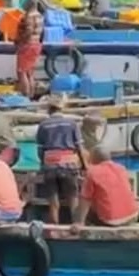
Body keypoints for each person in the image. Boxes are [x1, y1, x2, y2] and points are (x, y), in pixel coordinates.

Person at [36, 95, 86, 224]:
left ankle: (54, 229)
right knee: (73, 199)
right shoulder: (72, 124)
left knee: (53, 202)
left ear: (49, 109)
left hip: (50, 165)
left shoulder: (43, 125)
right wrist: (85, 166)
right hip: (69, 164)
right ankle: (76, 226)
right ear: (61, 108)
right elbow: (79, 147)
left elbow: (40, 150)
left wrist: (43, 165)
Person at [72, 146, 139, 230]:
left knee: (82, 209)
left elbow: (85, 200)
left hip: (111, 222)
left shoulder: (92, 172)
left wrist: (80, 222)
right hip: (133, 216)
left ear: (93, 158)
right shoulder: (121, 168)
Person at [15, 0, 44, 99]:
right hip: (37, 44)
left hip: (27, 45)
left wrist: (19, 40)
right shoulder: (40, 16)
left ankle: (25, 95)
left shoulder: (28, 16)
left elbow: (29, 31)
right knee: (30, 72)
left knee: (21, 71)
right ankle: (31, 95)